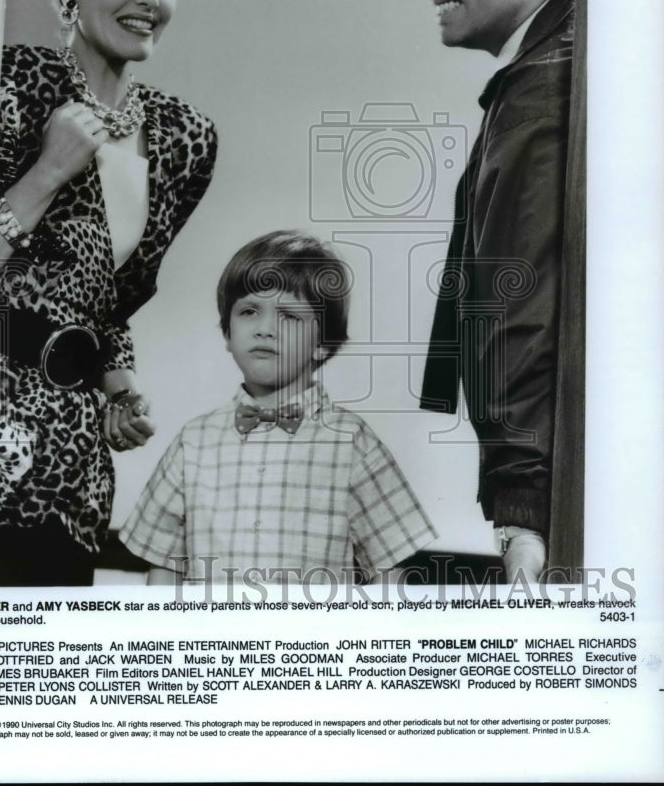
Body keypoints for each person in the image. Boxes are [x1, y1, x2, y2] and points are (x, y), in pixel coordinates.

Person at [0, 0, 217, 586]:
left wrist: (120, 389)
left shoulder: (183, 138)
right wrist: (47, 171)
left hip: (74, 474)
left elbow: (104, 300)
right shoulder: (7, 85)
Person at [361, 0, 580, 582]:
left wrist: (523, 505)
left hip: (555, 494)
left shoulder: (547, 86)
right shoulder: (554, 66)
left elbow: (521, 299)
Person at [119, 230, 437, 585]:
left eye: (288, 315)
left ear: (323, 344)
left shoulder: (353, 443)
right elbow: (164, 568)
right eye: (249, 311)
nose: (265, 329)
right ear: (227, 333)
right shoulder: (192, 443)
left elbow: (389, 574)